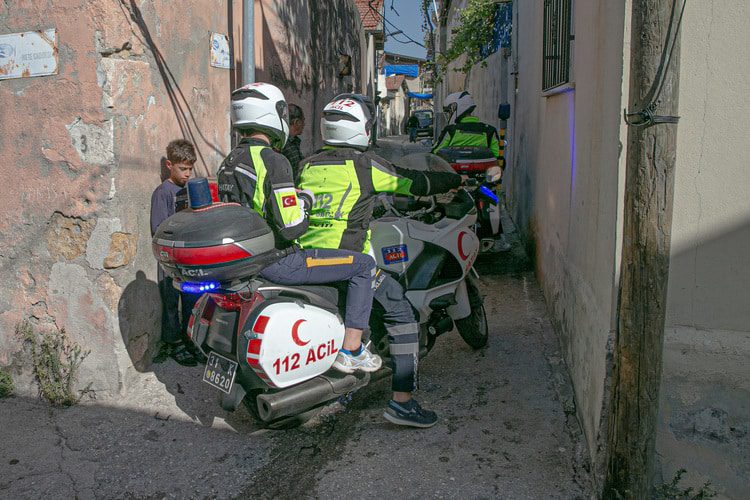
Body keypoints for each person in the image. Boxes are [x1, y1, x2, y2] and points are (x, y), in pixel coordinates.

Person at [297, 93, 462, 428]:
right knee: (402, 311)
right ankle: (402, 401)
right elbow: (413, 182)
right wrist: (454, 179)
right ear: (362, 129)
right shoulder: (365, 165)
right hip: (349, 262)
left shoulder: (308, 165)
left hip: (309, 262)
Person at [216, 83, 380, 373]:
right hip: (279, 260)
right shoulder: (273, 160)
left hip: (245, 261)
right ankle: (351, 349)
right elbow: (293, 227)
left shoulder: (230, 161)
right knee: (364, 266)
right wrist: (304, 200)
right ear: (274, 114)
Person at [432, 91, 511, 251]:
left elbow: (435, 153)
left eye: (449, 110)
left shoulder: (451, 130)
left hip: (454, 183)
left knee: (437, 203)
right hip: (483, 184)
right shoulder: (488, 130)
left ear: (457, 108)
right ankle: (497, 237)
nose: (449, 114)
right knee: (492, 198)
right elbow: (498, 157)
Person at [150, 139, 200, 366]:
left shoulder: (190, 190)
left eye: (190, 168)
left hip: (189, 259)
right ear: (169, 165)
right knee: (170, 303)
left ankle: (191, 340)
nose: (188, 173)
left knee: (192, 300)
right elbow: (158, 228)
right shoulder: (163, 192)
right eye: (183, 168)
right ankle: (174, 343)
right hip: (170, 260)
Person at [281, 104, 305, 183]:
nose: (304, 125)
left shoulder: (292, 142)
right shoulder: (284, 144)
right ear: (296, 122)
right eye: (303, 121)